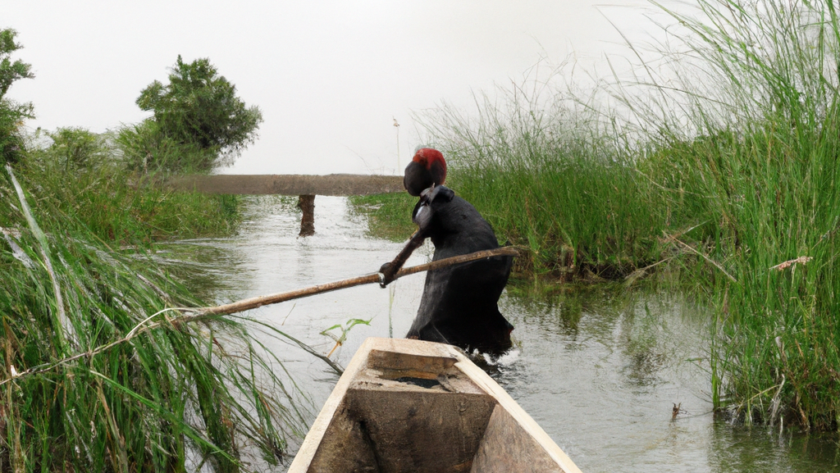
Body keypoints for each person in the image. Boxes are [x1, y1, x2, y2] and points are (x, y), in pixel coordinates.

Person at [379, 147, 513, 354]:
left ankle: (428, 353)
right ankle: (493, 355)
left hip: (464, 259)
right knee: (478, 313)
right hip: (495, 259)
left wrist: (393, 268)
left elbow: (417, 239)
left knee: (432, 320)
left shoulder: (431, 203)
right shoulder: (451, 200)